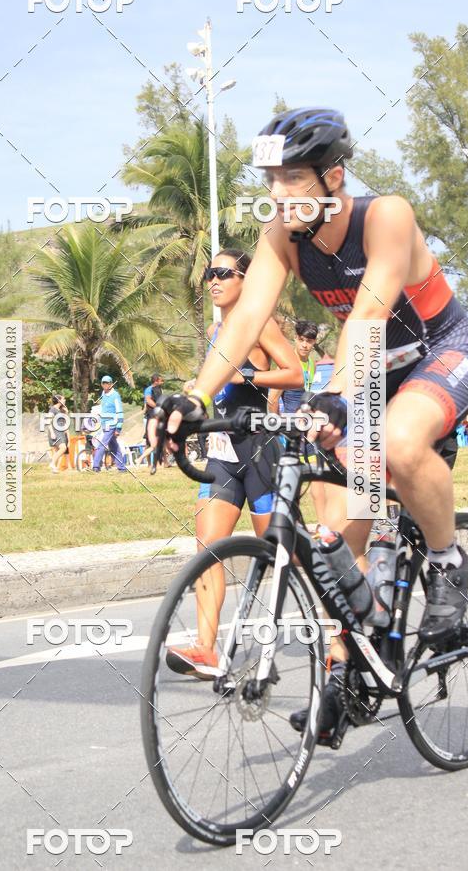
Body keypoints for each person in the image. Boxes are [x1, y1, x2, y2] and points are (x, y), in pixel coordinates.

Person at [151, 107, 468, 737]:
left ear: (333, 178)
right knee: (334, 539)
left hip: (443, 350)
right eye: (270, 180)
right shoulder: (282, 236)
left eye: (292, 179)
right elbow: (244, 321)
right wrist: (195, 394)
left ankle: (446, 562)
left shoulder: (385, 215)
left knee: (399, 442)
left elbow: (369, 313)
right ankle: (348, 674)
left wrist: (333, 393)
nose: (277, 194)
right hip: (371, 371)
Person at [166, 248, 304, 678]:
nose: (213, 280)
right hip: (223, 454)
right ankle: (207, 650)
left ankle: (340, 627)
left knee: (282, 552)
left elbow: (296, 374)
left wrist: (246, 376)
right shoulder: (215, 330)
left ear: (247, 279)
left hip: (260, 450)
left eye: (224, 272)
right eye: (210, 272)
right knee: (207, 549)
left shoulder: (259, 324)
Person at [268, 319, 326, 522]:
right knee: (294, 479)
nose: (304, 345)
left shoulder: (312, 364)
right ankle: (294, 524)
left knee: (317, 476)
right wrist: (278, 428)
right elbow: (272, 399)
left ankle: (322, 525)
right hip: (290, 432)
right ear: (295, 339)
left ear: (313, 342)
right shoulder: (286, 363)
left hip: (307, 428)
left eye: (309, 341)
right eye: (301, 340)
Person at [92, 375, 126, 473]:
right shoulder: (103, 394)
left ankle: (96, 466)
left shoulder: (115, 395)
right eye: (104, 383)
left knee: (102, 444)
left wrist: (118, 428)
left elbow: (120, 412)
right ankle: (122, 468)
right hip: (104, 424)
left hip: (112, 425)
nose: (105, 385)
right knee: (114, 446)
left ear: (111, 384)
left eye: (108, 383)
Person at [137, 373, 164, 466]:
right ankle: (148, 463)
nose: (162, 382)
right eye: (161, 380)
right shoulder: (149, 390)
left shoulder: (160, 390)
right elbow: (148, 400)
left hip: (158, 417)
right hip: (150, 417)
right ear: (156, 381)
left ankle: (164, 462)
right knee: (149, 441)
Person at [47, 394, 69, 473]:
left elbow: (64, 422)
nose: (65, 400)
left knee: (56, 451)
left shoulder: (61, 410)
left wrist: (66, 413)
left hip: (61, 432)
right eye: (63, 399)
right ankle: (52, 464)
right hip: (55, 432)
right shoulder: (53, 409)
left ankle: (54, 469)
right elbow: (48, 421)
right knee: (63, 448)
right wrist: (52, 433)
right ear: (59, 400)